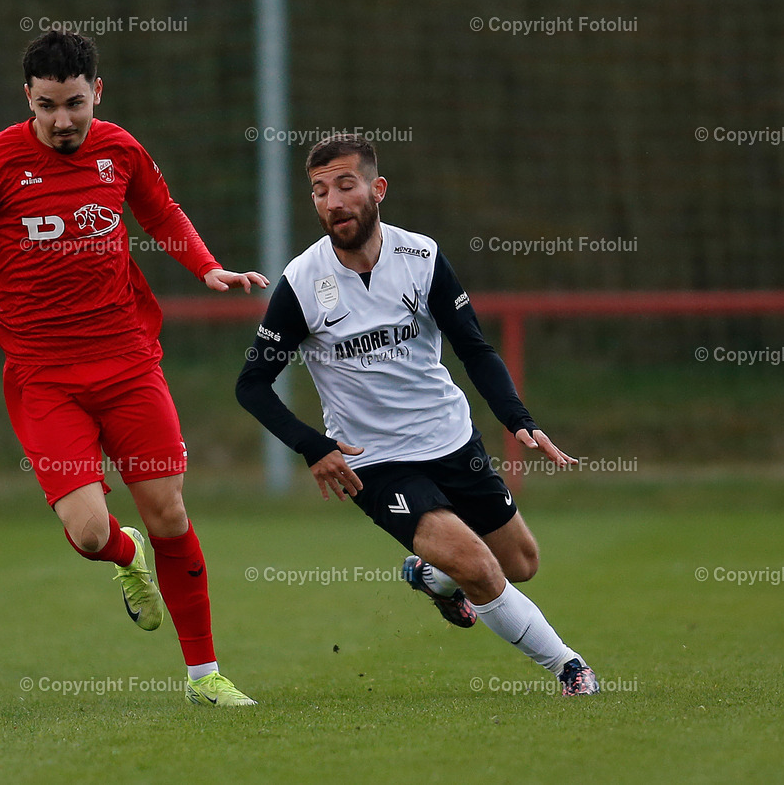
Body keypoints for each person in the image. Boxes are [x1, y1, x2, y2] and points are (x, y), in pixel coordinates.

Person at [0, 31, 264, 706]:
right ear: (28, 98)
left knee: (168, 512)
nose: (62, 120)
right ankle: (125, 558)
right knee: (87, 531)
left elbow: (159, 211)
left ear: (97, 93)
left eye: (75, 103)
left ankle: (205, 678)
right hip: (44, 376)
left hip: (129, 362)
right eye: (47, 106)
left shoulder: (120, 149)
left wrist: (206, 265)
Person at [236, 134, 598, 695]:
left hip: (451, 439)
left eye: (345, 186)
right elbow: (252, 384)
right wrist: (314, 445)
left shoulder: (421, 257)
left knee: (521, 563)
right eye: (319, 191)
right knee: (479, 567)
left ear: (377, 189)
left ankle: (432, 578)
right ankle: (569, 668)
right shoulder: (303, 282)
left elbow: (474, 348)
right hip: (374, 463)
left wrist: (518, 418)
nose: (332, 202)